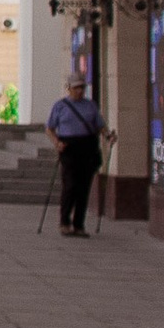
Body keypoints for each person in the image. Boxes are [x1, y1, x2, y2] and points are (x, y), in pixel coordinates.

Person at [48, 70, 103, 236]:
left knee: (83, 188)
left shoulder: (90, 105)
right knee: (70, 185)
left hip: (87, 147)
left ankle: (79, 224)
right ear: (69, 88)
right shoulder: (60, 106)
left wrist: (108, 135)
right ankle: (65, 221)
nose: (80, 91)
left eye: (82, 87)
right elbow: (50, 128)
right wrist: (57, 142)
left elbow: (100, 125)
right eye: (76, 88)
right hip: (69, 146)